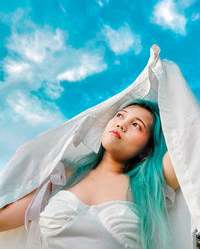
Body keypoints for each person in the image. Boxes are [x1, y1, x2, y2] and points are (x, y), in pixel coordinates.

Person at [0, 44, 198, 249]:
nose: (121, 124)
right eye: (120, 115)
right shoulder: (62, 176)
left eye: (136, 125)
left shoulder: (150, 184)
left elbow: (190, 135)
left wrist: (163, 73)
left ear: (148, 149)